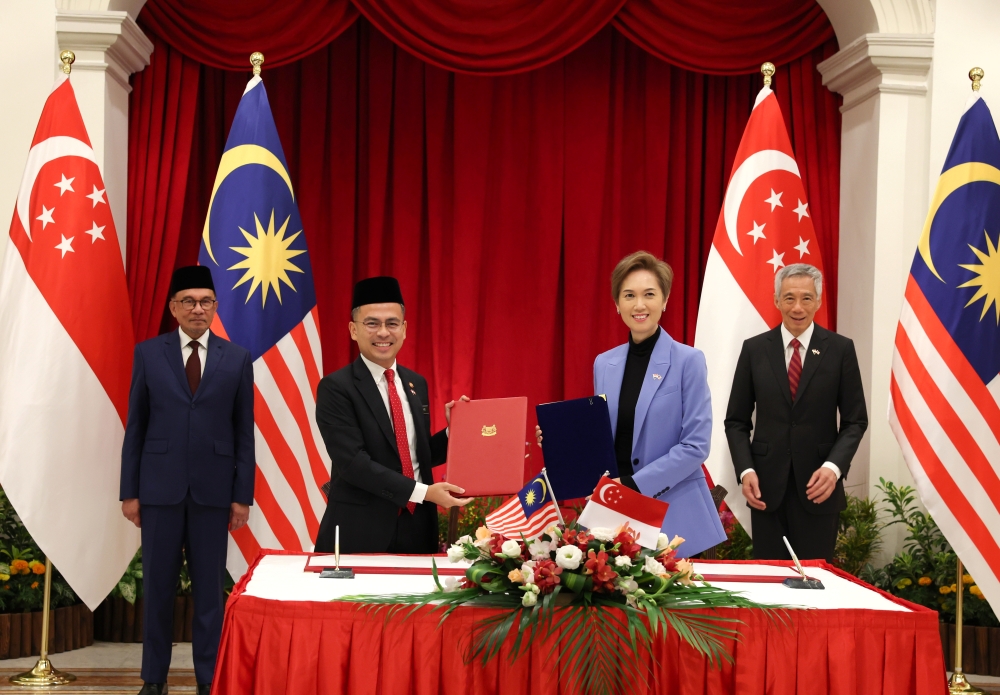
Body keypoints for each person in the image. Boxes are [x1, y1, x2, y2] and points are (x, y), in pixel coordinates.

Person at [120, 266, 254, 695]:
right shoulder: (148, 353)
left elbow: (243, 433)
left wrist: (242, 496)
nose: (198, 309)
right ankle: (153, 679)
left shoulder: (236, 358)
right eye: (189, 302)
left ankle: (208, 678)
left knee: (210, 594)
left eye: (206, 302)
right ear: (173, 308)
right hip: (159, 490)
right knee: (157, 588)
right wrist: (130, 492)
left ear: (215, 307)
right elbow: (136, 428)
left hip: (214, 493)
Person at [538, 251, 726, 556]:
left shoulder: (689, 360)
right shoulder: (604, 363)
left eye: (649, 294)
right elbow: (604, 436)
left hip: (671, 514)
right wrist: (560, 441)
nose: (639, 305)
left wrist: (635, 485)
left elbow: (695, 446)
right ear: (617, 304)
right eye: (629, 295)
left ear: (664, 301)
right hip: (612, 516)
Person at [314, 276, 471, 554]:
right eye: (372, 323)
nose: (383, 333)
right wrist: (424, 492)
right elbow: (353, 464)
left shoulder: (415, 383)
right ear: (353, 330)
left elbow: (415, 455)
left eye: (392, 323)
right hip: (360, 530)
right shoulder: (336, 387)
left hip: (418, 527)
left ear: (405, 329)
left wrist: (453, 432)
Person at [725, 263, 868, 562]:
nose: (798, 307)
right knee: (771, 585)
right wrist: (746, 470)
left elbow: (855, 421)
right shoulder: (754, 350)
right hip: (766, 490)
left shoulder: (840, 349)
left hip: (819, 488)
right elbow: (736, 421)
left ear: (818, 301)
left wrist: (834, 467)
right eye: (789, 298)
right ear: (777, 300)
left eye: (806, 298)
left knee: (816, 583)